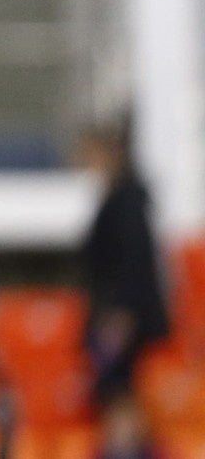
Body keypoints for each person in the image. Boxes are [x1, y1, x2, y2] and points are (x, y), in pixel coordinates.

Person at [80, 118, 170, 459]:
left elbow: (132, 265)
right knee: (114, 389)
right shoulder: (119, 198)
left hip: (121, 318)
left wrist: (120, 317)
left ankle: (129, 451)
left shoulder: (127, 202)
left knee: (119, 388)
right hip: (116, 314)